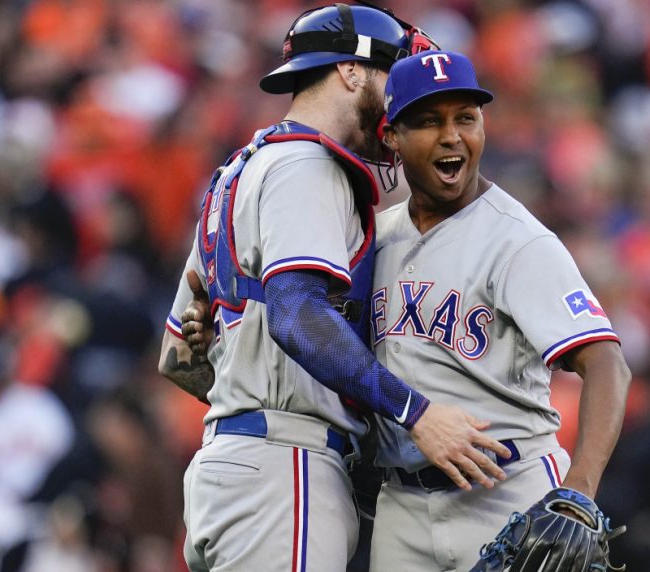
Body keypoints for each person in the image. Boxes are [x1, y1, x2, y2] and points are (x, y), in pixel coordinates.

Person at [156, 6, 509, 572]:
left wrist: (237, 363)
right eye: (391, 75)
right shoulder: (307, 166)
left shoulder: (240, 170)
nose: (399, 101)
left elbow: (178, 361)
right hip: (284, 472)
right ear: (350, 72)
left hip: (234, 467)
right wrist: (415, 412)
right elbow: (296, 317)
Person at [368, 50, 632, 570]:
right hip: (400, 502)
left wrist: (578, 492)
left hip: (507, 495)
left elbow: (606, 364)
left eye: (465, 118)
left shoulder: (518, 240)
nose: (451, 136)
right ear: (391, 138)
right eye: (428, 121)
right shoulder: (374, 240)